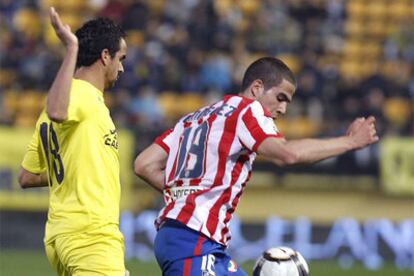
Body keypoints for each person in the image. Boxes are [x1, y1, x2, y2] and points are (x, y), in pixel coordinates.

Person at [134, 57, 379, 276]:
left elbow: (144, 164)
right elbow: (288, 155)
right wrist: (349, 142)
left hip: (180, 237)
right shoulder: (247, 110)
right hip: (193, 242)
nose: (283, 109)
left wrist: (183, 194)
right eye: (280, 98)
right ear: (257, 87)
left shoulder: (194, 117)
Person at [18, 7, 128, 276]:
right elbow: (57, 111)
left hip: (61, 235)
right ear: (105, 56)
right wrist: (71, 50)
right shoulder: (80, 97)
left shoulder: (65, 103)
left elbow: (27, 176)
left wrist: (75, 166)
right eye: (120, 58)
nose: (122, 67)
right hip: (91, 236)